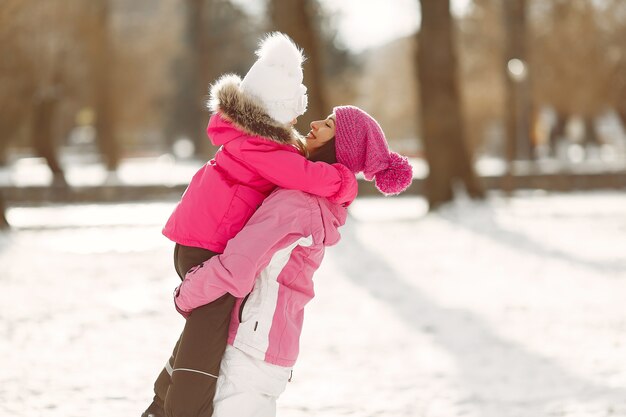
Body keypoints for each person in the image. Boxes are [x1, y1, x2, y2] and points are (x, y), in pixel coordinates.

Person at [142, 33, 357, 417]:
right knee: (209, 325)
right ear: (272, 110)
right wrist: (343, 181)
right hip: (206, 243)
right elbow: (306, 176)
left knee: (207, 324)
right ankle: (181, 409)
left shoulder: (259, 140)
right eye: (293, 110)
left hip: (205, 239)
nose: (299, 120)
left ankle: (164, 401)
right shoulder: (259, 147)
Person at [173, 105, 414, 417]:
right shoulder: (318, 201)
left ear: (338, 147)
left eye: (328, 125)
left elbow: (238, 268)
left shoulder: (296, 204)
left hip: (250, 347)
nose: (314, 123)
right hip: (273, 346)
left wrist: (187, 294)